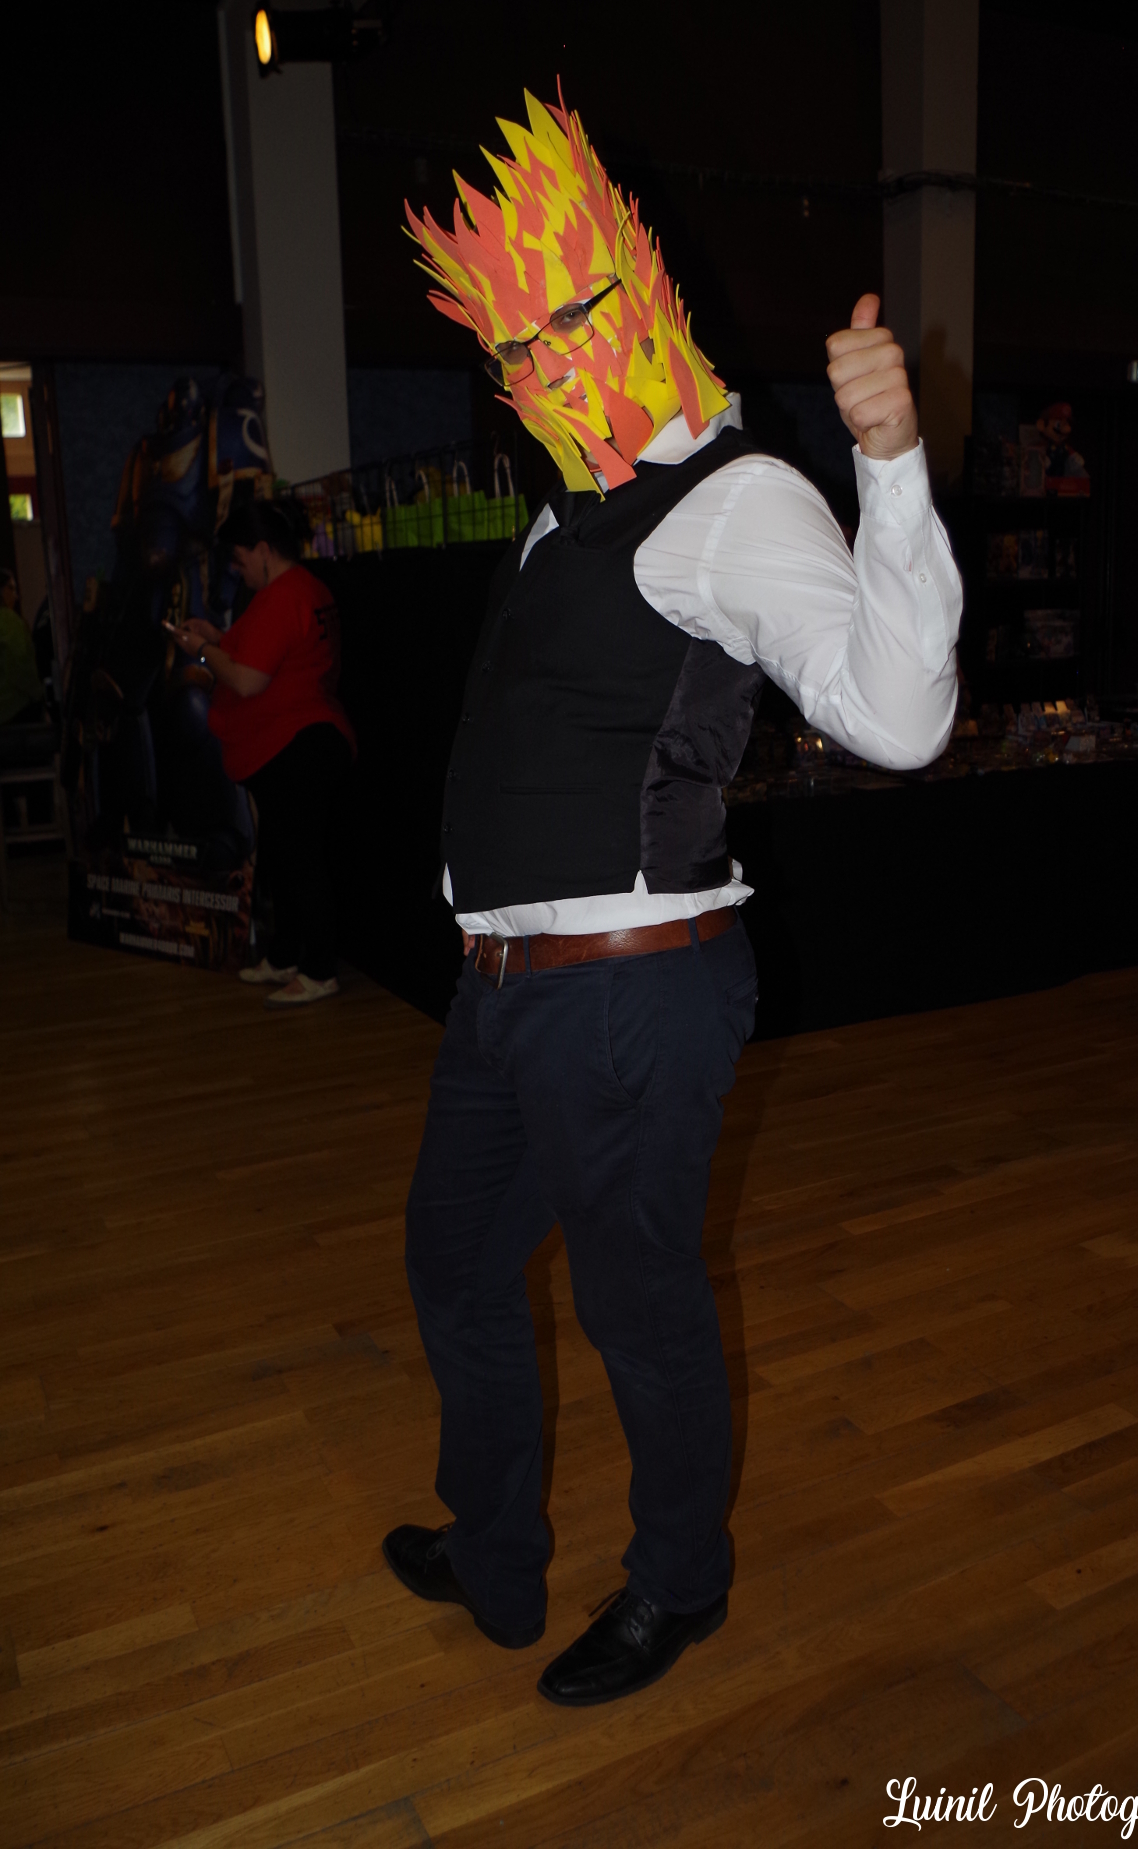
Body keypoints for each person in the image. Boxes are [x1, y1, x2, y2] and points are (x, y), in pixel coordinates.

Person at [381, 89, 963, 1707]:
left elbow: (901, 719)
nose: (546, 366)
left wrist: (891, 466)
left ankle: (680, 1585)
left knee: (637, 1305)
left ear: (638, 289)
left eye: (570, 321)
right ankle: (495, 1546)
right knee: (452, 1261)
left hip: (630, 992)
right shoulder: (565, 509)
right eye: (515, 348)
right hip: (503, 993)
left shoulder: (740, 498)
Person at [167, 502, 355, 1008]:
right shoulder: (305, 590)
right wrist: (216, 638)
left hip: (296, 743)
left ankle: (318, 970)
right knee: (282, 857)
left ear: (265, 551)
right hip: (304, 740)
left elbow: (248, 679)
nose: (237, 569)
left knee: (300, 861)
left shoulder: (283, 596)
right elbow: (263, 652)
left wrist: (201, 651)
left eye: (240, 557)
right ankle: (286, 954)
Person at [0, 568, 46, 726]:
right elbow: (20, 666)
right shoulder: (9, 621)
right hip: (15, 708)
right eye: (11, 588)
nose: (16, 596)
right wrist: (39, 693)